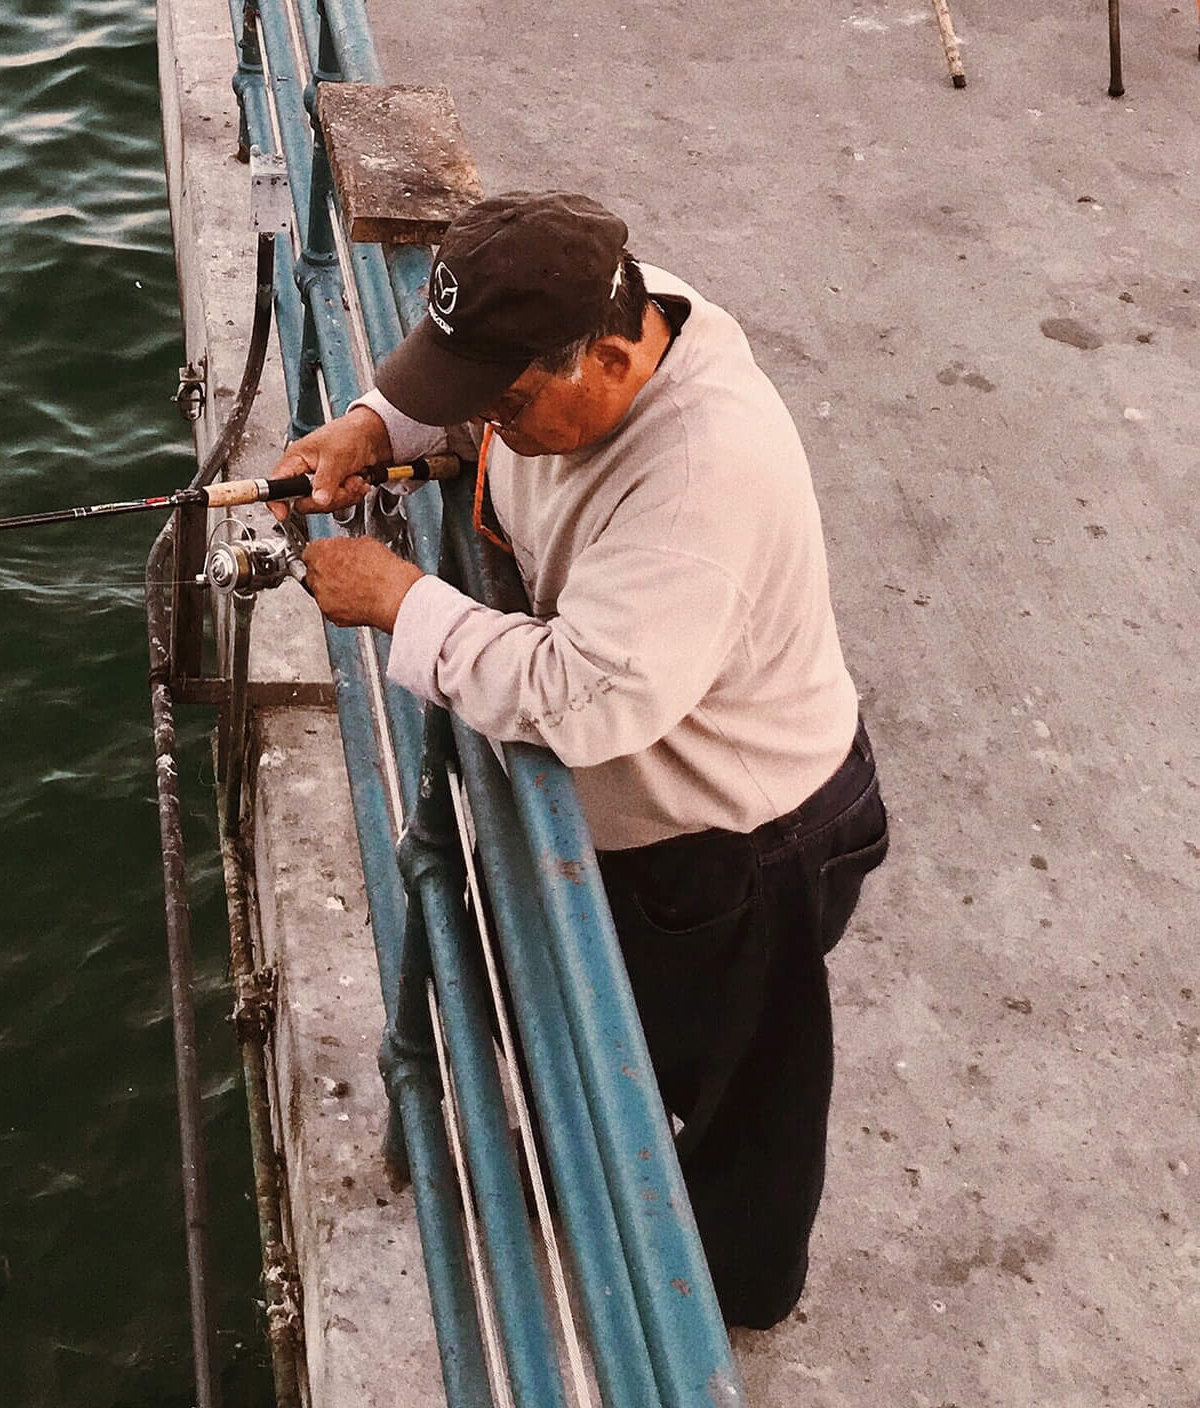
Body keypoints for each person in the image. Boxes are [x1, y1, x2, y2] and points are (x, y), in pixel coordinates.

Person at [275, 191, 890, 1330]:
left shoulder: (700, 480)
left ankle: (734, 1302)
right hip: (657, 821)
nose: (488, 430)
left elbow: (581, 697)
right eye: (474, 402)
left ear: (610, 355)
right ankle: (603, 1143)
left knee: (742, 1098)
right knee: (635, 1040)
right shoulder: (602, 326)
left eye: (505, 404)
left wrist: (404, 603)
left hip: (747, 843)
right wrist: (377, 427)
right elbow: (464, 410)